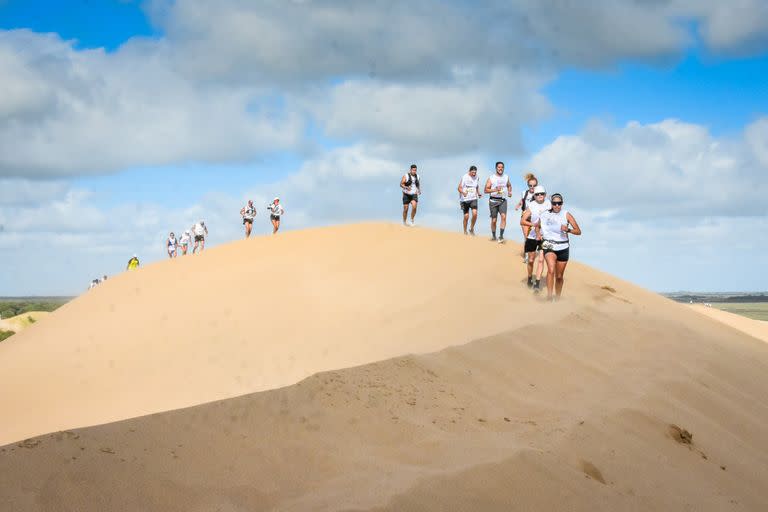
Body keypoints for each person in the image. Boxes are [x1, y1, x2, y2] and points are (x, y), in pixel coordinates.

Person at [537, 193, 582, 301]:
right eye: (554, 203)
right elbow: (537, 226)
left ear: (562, 204)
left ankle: (557, 298)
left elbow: (578, 231)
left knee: (559, 277)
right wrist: (538, 234)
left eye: (559, 203)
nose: (557, 205)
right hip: (549, 245)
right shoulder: (544, 214)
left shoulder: (566, 214)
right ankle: (549, 297)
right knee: (551, 270)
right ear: (551, 203)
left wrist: (568, 230)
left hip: (563, 247)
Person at [520, 185, 550, 292]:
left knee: (541, 260)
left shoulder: (549, 204)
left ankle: (537, 284)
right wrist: (534, 224)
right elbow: (522, 221)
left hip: (545, 237)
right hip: (532, 236)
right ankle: (529, 278)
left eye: (542, 194)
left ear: (545, 195)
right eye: (537, 194)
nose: (540, 196)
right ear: (535, 196)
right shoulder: (531, 205)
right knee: (531, 260)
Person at [484, 161, 512, 243]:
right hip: (493, 200)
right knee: (494, 220)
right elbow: (485, 190)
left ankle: (501, 236)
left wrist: (510, 192)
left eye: (502, 167)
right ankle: (493, 236)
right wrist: (495, 189)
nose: (500, 169)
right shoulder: (491, 178)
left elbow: (509, 185)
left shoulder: (506, 177)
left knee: (503, 217)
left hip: (503, 200)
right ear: (496, 168)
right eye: (499, 167)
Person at [458, 165, 482, 235]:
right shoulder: (465, 177)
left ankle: (471, 228)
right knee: (466, 216)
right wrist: (463, 192)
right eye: (473, 172)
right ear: (469, 171)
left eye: (475, 172)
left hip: (473, 198)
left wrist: (478, 193)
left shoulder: (477, 177)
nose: (474, 174)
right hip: (464, 199)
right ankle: (465, 231)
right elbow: (459, 188)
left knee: (475, 214)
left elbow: (476, 186)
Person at [515, 172, 538, 239]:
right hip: (525, 216)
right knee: (527, 237)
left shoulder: (539, 194)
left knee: (536, 237)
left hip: (535, 217)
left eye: (534, 185)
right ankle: (527, 248)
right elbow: (522, 200)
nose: (532, 187)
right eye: (530, 185)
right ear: (528, 185)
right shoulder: (524, 192)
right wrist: (518, 205)